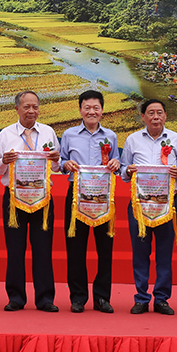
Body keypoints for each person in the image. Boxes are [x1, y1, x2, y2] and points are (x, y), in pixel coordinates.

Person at [120, 99, 177, 315]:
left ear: (165, 116)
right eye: (150, 113)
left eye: (159, 112)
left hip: (167, 204)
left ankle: (161, 299)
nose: (155, 116)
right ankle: (141, 298)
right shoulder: (132, 139)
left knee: (164, 252)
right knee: (140, 252)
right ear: (143, 117)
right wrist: (128, 171)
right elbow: (122, 171)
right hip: (139, 204)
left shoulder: (176, 139)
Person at [0, 90, 61, 312]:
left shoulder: (48, 132)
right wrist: (3, 160)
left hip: (42, 198)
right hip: (14, 198)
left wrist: (56, 160)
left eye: (35, 107)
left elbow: (56, 167)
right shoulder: (5, 134)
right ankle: (16, 297)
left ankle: (45, 298)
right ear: (17, 108)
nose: (31, 111)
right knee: (15, 249)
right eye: (27, 107)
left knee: (43, 248)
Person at [60, 90, 120, 314]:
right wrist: (65, 164)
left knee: (105, 248)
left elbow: (119, 164)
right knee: (75, 248)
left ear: (102, 110)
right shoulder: (69, 134)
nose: (92, 111)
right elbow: (61, 160)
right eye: (87, 107)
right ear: (80, 110)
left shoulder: (111, 136)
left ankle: (102, 297)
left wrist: (116, 162)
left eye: (96, 108)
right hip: (76, 196)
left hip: (104, 198)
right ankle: (78, 297)